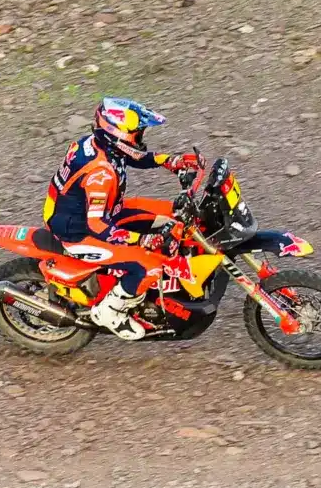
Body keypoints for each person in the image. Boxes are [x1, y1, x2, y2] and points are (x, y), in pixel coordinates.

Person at [42, 97, 202, 337]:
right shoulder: (101, 175)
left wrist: (170, 161)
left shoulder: (98, 144)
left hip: (100, 211)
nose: (140, 138)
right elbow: (97, 225)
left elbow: (130, 156)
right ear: (116, 135)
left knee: (169, 215)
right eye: (136, 134)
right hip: (79, 232)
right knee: (147, 266)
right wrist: (140, 240)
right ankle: (110, 312)